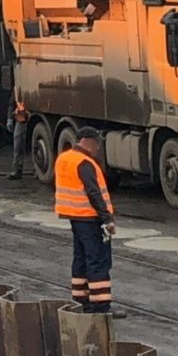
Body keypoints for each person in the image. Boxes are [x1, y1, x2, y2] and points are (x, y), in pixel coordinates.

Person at [55, 126, 121, 315]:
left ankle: (81, 301)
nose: (98, 148)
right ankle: (101, 307)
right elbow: (93, 192)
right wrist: (107, 218)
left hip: (74, 216)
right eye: (96, 144)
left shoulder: (64, 158)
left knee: (80, 258)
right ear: (87, 141)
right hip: (90, 218)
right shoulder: (84, 162)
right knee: (98, 260)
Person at [8, 87, 29, 180]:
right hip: (21, 118)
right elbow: (12, 102)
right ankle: (17, 169)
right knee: (18, 144)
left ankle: (36, 170)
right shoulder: (18, 87)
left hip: (29, 116)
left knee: (25, 144)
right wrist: (9, 119)